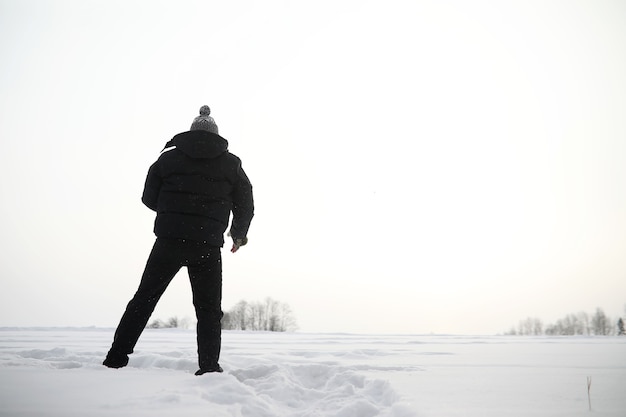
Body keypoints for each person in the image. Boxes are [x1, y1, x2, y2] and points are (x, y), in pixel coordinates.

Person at [103, 105, 254, 375]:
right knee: (208, 310)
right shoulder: (231, 164)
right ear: (216, 134)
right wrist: (238, 234)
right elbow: (245, 203)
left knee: (144, 300)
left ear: (191, 130)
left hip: (169, 241)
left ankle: (115, 358)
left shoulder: (168, 159)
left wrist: (172, 212)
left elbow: (148, 197)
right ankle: (208, 367)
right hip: (206, 246)